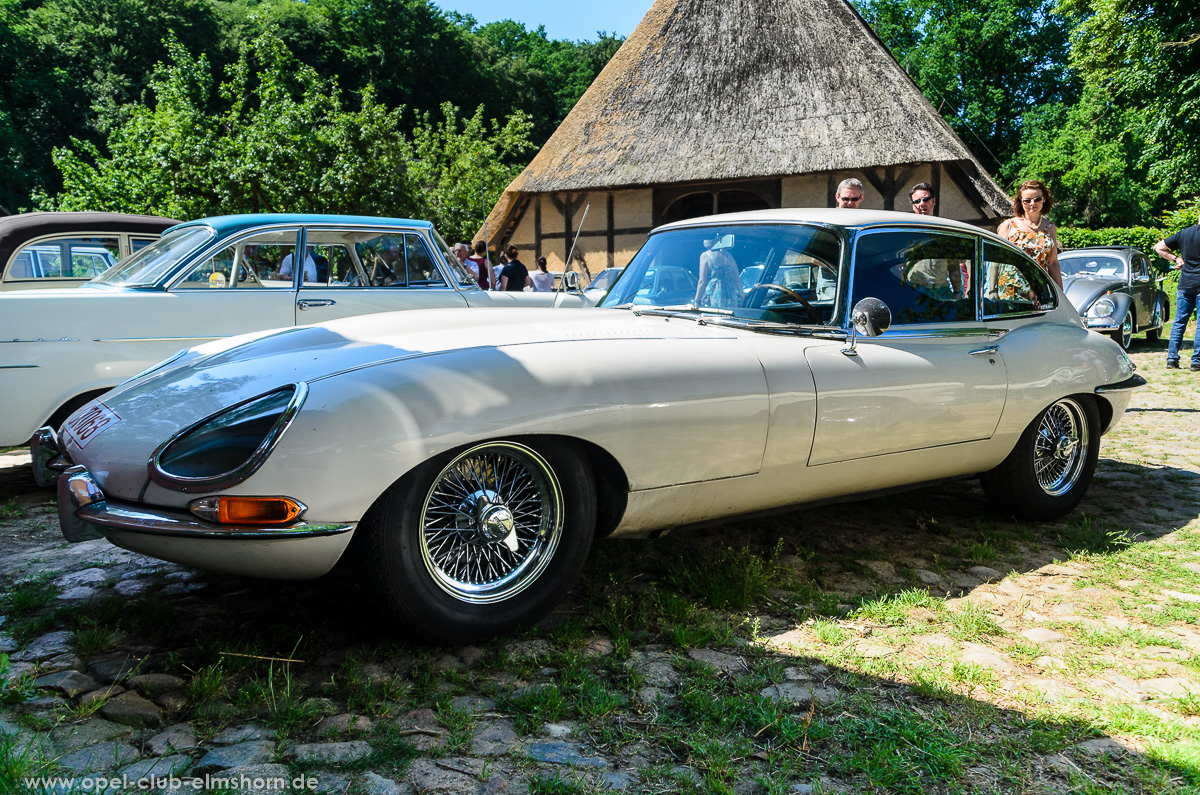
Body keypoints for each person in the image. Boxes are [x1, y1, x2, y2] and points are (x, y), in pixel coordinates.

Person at [996, 180, 1064, 290]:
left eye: (1037, 199)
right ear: (1021, 202)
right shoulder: (1008, 226)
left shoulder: (1050, 227)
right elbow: (995, 261)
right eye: (1027, 200)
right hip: (1011, 289)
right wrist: (991, 290)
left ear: (1044, 199)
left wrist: (1060, 292)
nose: (1033, 204)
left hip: (1040, 289)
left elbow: (1053, 263)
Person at [1153, 221, 1200, 371]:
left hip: (1185, 284)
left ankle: (1172, 359)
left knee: (1179, 322)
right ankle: (1196, 361)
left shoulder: (1184, 233)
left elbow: (1158, 247)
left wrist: (1176, 259)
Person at [906, 183, 963, 297]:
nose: (922, 204)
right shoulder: (905, 232)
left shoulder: (945, 232)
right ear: (913, 206)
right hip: (915, 290)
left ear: (934, 201)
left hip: (941, 292)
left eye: (926, 199)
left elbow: (953, 265)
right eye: (917, 201)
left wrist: (957, 291)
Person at [694, 239, 742, 308]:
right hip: (730, 294)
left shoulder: (705, 256)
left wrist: (697, 300)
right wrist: (742, 295)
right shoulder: (729, 256)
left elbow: (702, 281)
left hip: (714, 293)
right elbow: (737, 279)